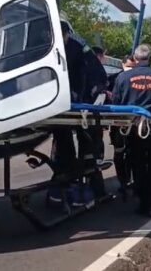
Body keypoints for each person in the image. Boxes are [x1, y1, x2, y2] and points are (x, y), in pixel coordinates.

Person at [49, 20, 109, 206]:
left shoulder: (80, 49)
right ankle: (65, 181)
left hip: (81, 102)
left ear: (67, 34)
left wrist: (94, 94)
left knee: (88, 144)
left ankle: (90, 185)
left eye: (63, 37)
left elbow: (96, 75)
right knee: (62, 141)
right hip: (59, 102)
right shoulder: (49, 47)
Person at [112, 44, 151, 217]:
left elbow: (116, 104)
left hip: (133, 127)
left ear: (134, 58)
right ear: (150, 58)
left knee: (137, 164)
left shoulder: (123, 78)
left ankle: (141, 202)